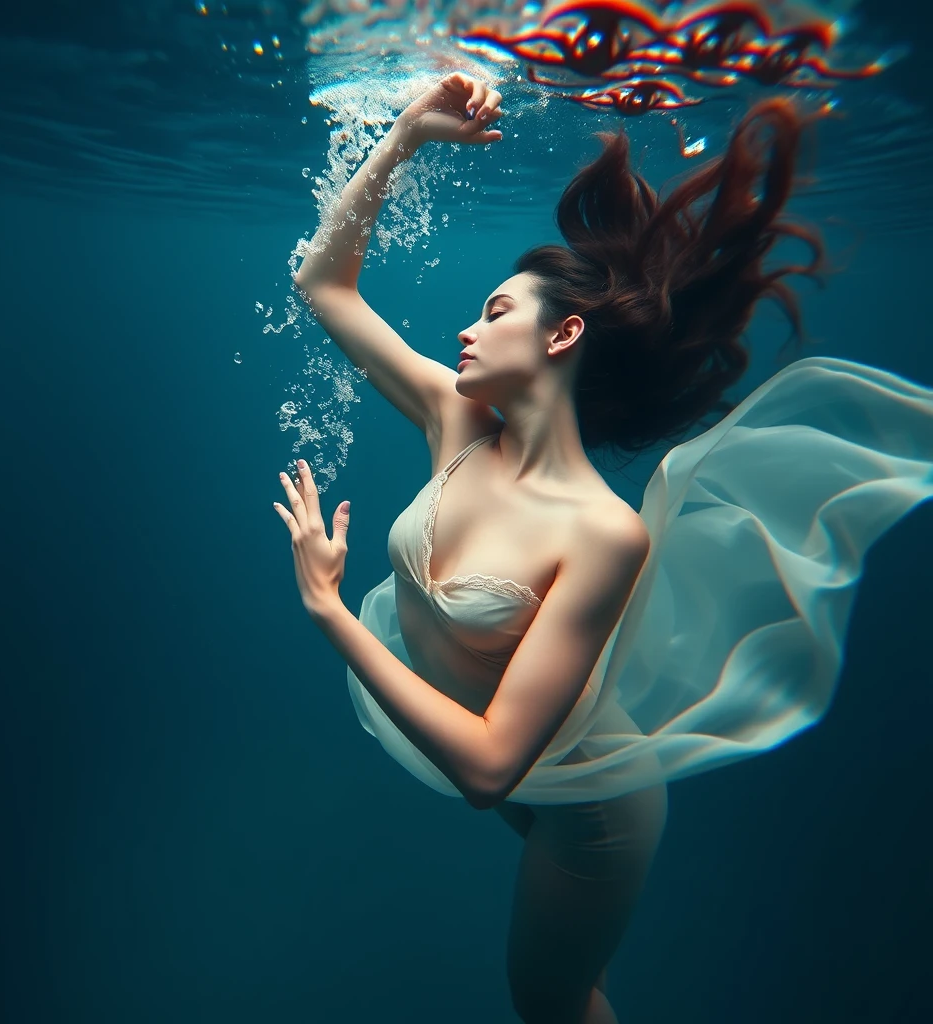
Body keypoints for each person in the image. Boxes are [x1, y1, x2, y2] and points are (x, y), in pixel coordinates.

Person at [275, 73, 933, 1023]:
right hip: (526, 761)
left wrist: (331, 611)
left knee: (549, 1002)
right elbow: (322, 284)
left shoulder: (603, 533)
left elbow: (489, 770)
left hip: (589, 814)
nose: (467, 328)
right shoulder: (455, 420)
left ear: (564, 333)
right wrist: (408, 138)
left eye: (496, 311)